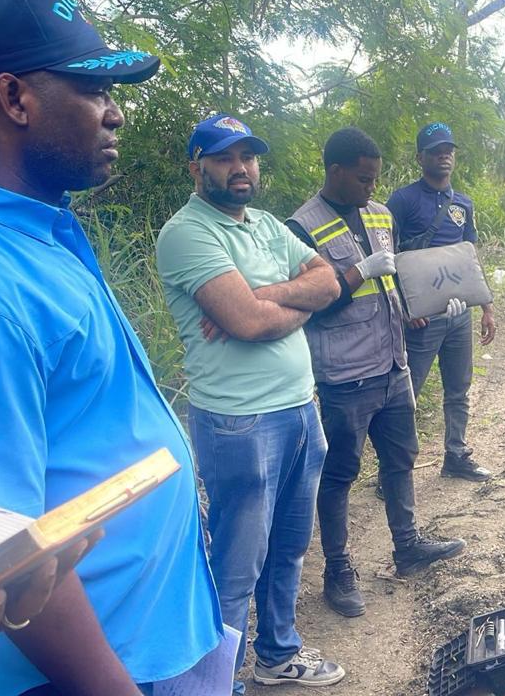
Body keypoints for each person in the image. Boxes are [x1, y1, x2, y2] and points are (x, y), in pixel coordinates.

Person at [0, 0, 225, 695]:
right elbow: (3, 555)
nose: (116, 113)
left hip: (152, 638)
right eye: (94, 89)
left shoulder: (36, 227)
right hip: (82, 677)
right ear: (15, 99)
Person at [156, 113, 345, 690]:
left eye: (248, 157)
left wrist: (266, 295)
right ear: (197, 166)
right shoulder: (189, 232)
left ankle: (277, 653)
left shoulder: (264, 224)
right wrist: (270, 306)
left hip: (301, 409)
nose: (240, 168)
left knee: (288, 547)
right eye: (223, 157)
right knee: (237, 567)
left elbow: (331, 282)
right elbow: (248, 323)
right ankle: (216, 681)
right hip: (240, 422)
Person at [284, 127, 467, 617]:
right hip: (345, 375)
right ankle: (338, 570)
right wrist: (359, 270)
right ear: (335, 171)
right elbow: (310, 306)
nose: (370, 188)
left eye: (375, 179)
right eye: (363, 179)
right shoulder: (301, 227)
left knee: (401, 460)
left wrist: (425, 303)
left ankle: (407, 546)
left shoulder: (381, 214)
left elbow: (397, 282)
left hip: (393, 364)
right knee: (340, 473)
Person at [387, 122, 494, 484]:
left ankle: (457, 454)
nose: (444, 156)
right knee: (408, 395)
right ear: (420, 157)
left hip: (459, 314)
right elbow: (387, 256)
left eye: (448, 149)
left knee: (458, 388)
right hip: (421, 319)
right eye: (435, 150)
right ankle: (395, 471)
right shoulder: (401, 201)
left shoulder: (463, 202)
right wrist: (405, 308)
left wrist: (487, 307)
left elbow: (469, 256)